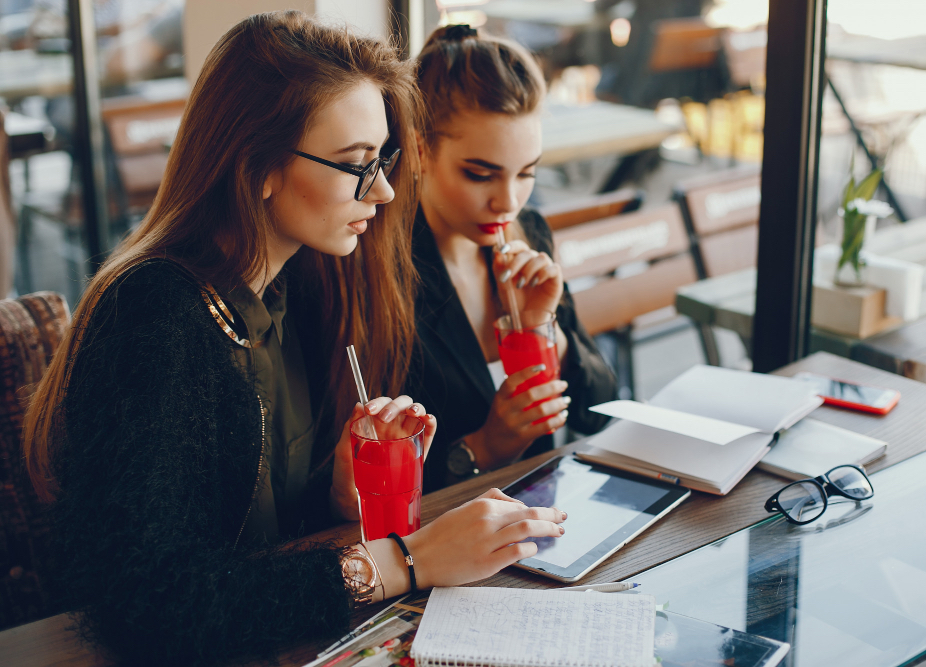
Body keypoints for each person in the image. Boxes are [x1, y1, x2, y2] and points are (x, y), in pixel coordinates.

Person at [21, 12, 565, 665]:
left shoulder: (281, 291)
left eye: (384, 159)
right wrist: (408, 559)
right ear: (257, 166)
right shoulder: (157, 316)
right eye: (356, 164)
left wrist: (332, 493)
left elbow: (243, 527)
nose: (387, 190)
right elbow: (158, 604)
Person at [405, 25, 618, 492]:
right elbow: (356, 489)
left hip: (545, 517)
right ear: (421, 150)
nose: (508, 202)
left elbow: (599, 408)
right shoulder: (384, 270)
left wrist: (547, 330)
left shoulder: (531, 233)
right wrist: (483, 448)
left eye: (527, 173)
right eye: (481, 174)